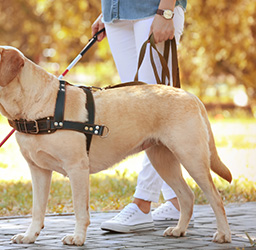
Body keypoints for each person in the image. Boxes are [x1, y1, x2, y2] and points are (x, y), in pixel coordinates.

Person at [91, 0, 189, 233]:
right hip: (117, 15)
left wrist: (166, 12)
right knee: (138, 110)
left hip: (152, 9)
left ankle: (142, 203)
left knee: (155, 112)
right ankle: (177, 202)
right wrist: (110, 10)